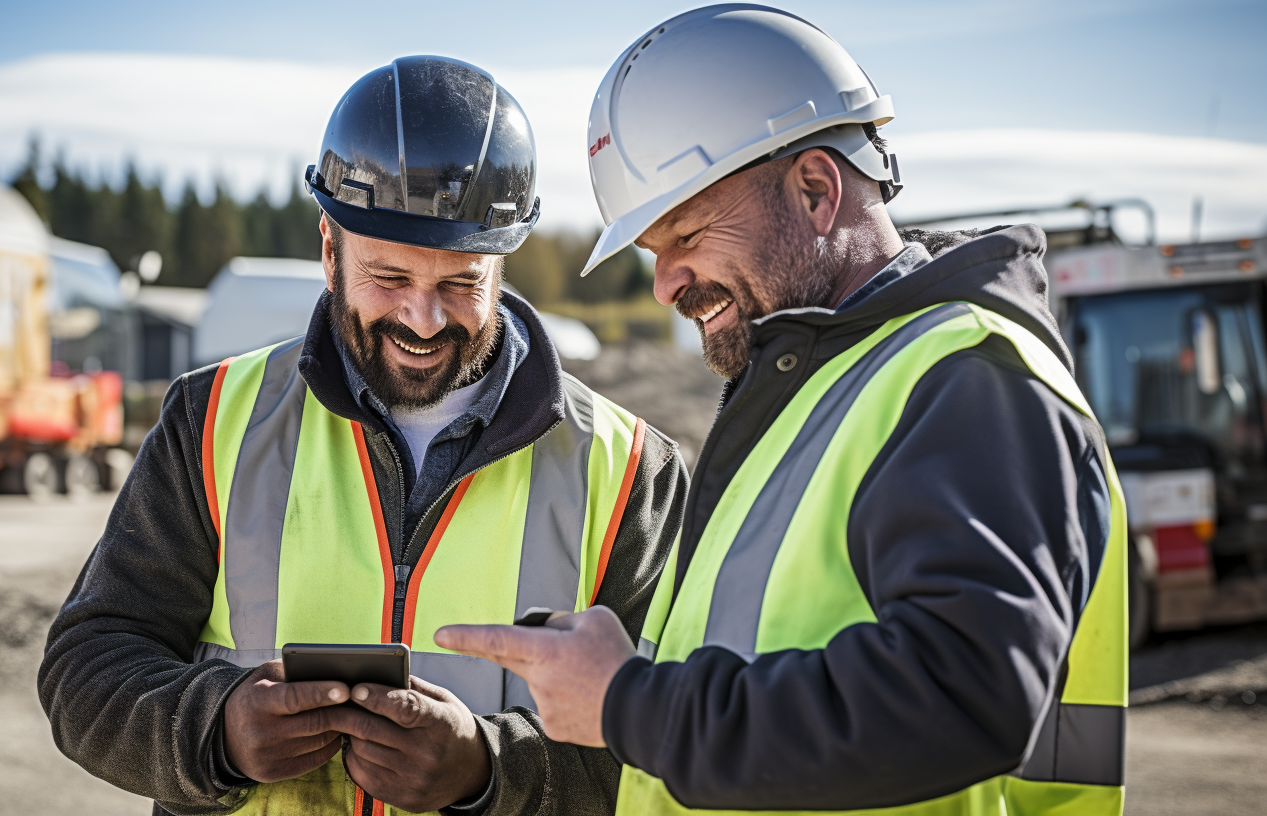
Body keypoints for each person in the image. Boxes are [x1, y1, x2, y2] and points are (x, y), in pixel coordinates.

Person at [438, 7, 1127, 816]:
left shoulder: (969, 381)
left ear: (815, 189)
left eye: (687, 235)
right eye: (655, 254)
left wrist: (629, 703)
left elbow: (966, 693)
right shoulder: (820, 394)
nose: (665, 286)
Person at [39, 55, 686, 816]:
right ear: (328, 251)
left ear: (501, 268)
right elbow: (86, 669)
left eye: (459, 284)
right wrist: (218, 729)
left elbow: (675, 742)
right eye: (388, 277)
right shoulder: (210, 420)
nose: (421, 318)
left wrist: (489, 768)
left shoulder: (628, 470)